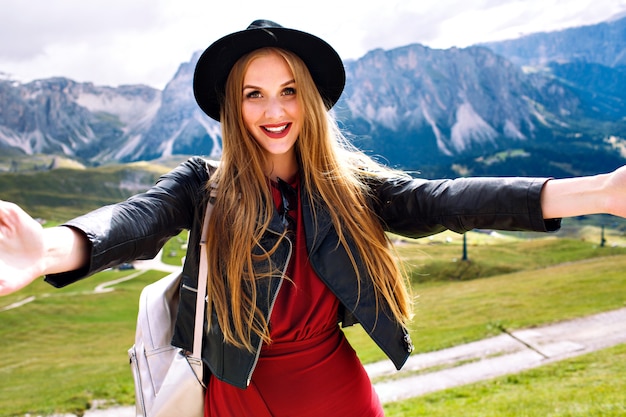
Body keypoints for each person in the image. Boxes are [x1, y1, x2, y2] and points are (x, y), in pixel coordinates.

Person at [1, 19, 626, 417]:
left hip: (339, 392)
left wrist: (600, 191)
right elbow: (136, 221)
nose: (273, 110)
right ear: (232, 107)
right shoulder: (204, 187)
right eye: (253, 93)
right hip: (240, 394)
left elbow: (447, 201)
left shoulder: (349, 189)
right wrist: (51, 250)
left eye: (289, 90)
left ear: (311, 100)